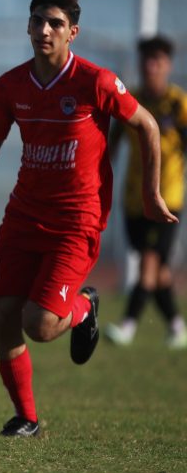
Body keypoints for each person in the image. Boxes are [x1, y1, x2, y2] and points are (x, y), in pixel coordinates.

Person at [0, 0, 176, 438]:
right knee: (3, 315)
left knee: (41, 326)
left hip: (77, 220)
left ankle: (83, 308)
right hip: (24, 216)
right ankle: (26, 417)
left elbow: (146, 124)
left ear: (73, 33)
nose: (44, 30)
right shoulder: (10, 85)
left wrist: (150, 193)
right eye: (37, 21)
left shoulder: (95, 81)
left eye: (55, 24)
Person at [105, 35, 187, 349]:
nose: (151, 66)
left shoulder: (179, 105)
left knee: (149, 265)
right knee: (157, 271)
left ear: (168, 65)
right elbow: (110, 148)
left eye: (158, 60)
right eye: (146, 60)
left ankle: (128, 325)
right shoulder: (130, 102)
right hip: (133, 200)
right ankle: (177, 326)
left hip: (167, 199)